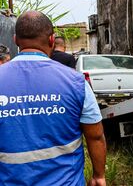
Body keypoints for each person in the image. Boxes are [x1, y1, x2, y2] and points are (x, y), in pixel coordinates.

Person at [0, 11, 106, 186]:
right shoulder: (77, 82)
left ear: (15, 40)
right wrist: (99, 175)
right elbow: (95, 136)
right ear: (51, 40)